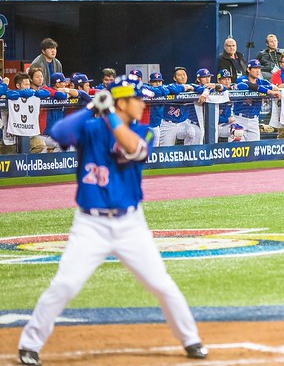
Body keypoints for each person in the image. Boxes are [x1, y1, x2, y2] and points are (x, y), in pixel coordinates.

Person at [17, 77, 207, 366]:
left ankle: (191, 339)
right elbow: (58, 131)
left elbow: (133, 148)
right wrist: (91, 107)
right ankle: (29, 345)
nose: (143, 104)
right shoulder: (92, 128)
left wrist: (109, 115)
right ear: (121, 102)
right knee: (65, 284)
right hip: (90, 225)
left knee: (161, 284)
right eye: (137, 98)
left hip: (130, 224)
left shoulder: (145, 131)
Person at [233, 60, 279, 142]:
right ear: (248, 69)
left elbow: (275, 87)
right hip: (239, 119)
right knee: (237, 148)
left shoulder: (261, 81)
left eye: (259, 68)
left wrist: (260, 89)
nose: (258, 71)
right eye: (254, 68)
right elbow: (249, 85)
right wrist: (266, 91)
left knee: (254, 149)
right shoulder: (241, 79)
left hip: (254, 120)